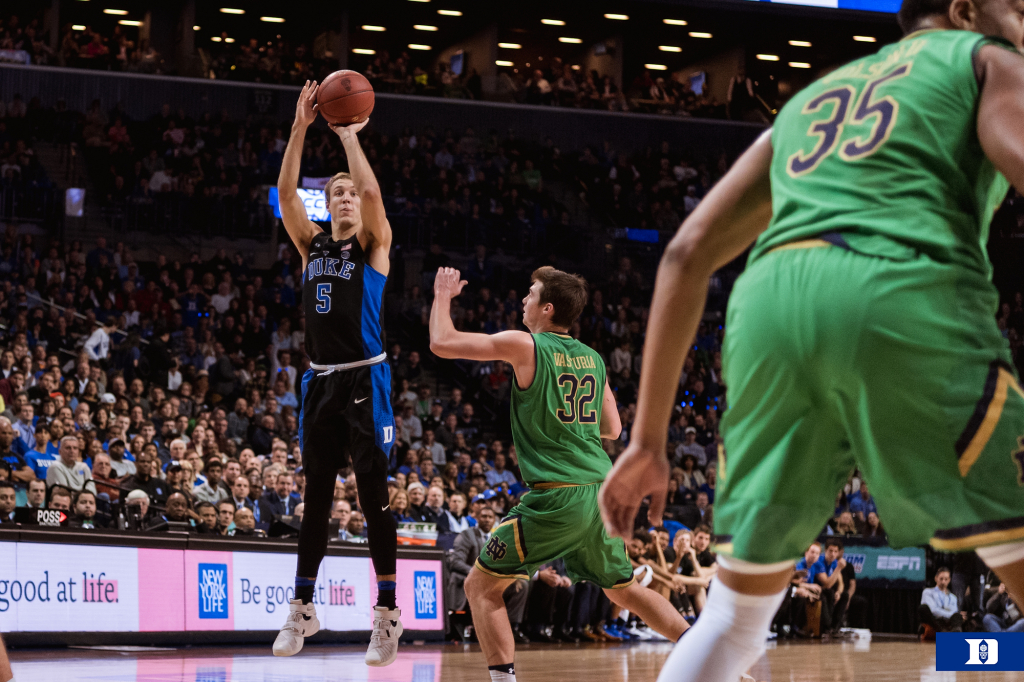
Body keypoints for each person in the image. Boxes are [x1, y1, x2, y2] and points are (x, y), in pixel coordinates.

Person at [599, 4, 1024, 680]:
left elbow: (684, 254)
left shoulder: (816, 96)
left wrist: (647, 443)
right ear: (967, 10)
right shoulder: (987, 59)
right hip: (899, 288)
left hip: (770, 308)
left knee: (736, 619)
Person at [430, 265, 688, 682]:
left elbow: (443, 342)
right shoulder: (593, 358)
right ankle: (711, 658)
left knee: (480, 587)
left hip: (559, 495)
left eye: (530, 295)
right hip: (601, 493)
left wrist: (442, 296)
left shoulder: (527, 345)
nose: (523, 301)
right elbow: (613, 428)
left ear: (547, 309)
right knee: (623, 588)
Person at [273, 80, 399, 665]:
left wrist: (349, 137)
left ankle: (386, 613)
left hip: (364, 378)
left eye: (349, 192)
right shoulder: (312, 246)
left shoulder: (373, 245)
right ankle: (303, 607)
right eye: (338, 193)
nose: (346, 197)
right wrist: (301, 127)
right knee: (316, 497)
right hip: (321, 379)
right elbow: (286, 193)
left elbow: (372, 189)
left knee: (373, 496)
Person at [919, 567, 965, 636]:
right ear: (936, 578)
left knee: (958, 616)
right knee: (923, 608)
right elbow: (933, 610)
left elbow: (954, 612)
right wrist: (948, 613)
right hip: (934, 620)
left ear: (949, 580)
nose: (943, 582)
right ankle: (943, 631)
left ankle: (955, 634)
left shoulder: (953, 597)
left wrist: (947, 614)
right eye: (941, 579)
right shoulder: (928, 592)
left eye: (946, 579)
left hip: (947, 621)